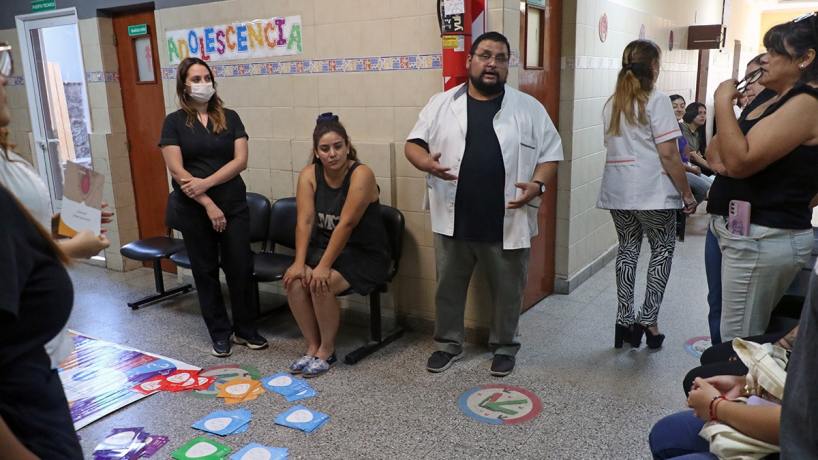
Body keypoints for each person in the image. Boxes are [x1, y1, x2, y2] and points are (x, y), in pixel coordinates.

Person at [404, 31, 562, 377]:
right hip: (454, 217)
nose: (492, 64)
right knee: (448, 288)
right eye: (485, 55)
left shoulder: (529, 108)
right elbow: (412, 144)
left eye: (500, 58)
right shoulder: (441, 103)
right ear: (470, 61)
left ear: (507, 66)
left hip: (506, 218)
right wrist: (425, 162)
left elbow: (551, 154)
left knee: (508, 291)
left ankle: (505, 346)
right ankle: (447, 344)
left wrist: (537, 185)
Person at [706, 15, 818, 342]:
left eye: (775, 51)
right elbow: (716, 157)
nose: (765, 59)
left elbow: (738, 161)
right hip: (736, 229)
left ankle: (724, 376)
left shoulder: (807, 103)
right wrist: (734, 155)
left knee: (739, 342)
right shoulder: (772, 97)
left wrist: (722, 102)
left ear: (806, 58)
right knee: (726, 323)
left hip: (762, 236)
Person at [0, 44, 84, 459]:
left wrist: (66, 229)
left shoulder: (9, 157)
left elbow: (23, 235)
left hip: (36, 368)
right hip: (16, 391)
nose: (4, 77)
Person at [159, 57, 266, 357]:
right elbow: (177, 170)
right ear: (184, 86)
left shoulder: (230, 117)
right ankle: (220, 332)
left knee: (240, 266)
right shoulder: (174, 122)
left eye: (206, 78)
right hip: (194, 208)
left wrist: (206, 183)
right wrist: (206, 201)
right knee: (205, 270)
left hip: (232, 203)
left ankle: (246, 329)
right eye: (196, 79)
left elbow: (240, 161)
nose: (203, 84)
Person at [597, 39, 696, 350]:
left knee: (627, 249)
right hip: (652, 192)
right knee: (662, 250)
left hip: (619, 191)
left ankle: (623, 320)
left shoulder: (613, 103)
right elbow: (669, 154)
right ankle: (648, 321)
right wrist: (687, 193)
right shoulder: (658, 100)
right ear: (653, 67)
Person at [282, 113, 390, 378]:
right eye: (325, 148)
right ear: (316, 152)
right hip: (326, 249)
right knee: (295, 281)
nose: (332, 154)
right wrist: (299, 263)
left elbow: (346, 224)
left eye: (338, 146)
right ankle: (312, 346)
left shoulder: (361, 174)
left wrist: (323, 267)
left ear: (347, 145)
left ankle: (327, 351)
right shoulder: (309, 174)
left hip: (365, 253)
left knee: (322, 282)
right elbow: (305, 221)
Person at [703, 56, 778, 345]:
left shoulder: (784, 118)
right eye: (745, 79)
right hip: (722, 220)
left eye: (755, 76)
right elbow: (714, 158)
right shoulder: (744, 116)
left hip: (757, 229)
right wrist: (736, 114)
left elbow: (737, 163)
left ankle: (734, 363)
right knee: (717, 300)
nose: (747, 86)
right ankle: (716, 359)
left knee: (743, 315)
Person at [681, 102, 713, 176]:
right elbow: (692, 155)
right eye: (699, 113)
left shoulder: (697, 133)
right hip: (683, 167)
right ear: (691, 113)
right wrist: (714, 169)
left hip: (692, 166)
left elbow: (698, 154)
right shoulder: (682, 128)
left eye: (704, 113)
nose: (703, 116)